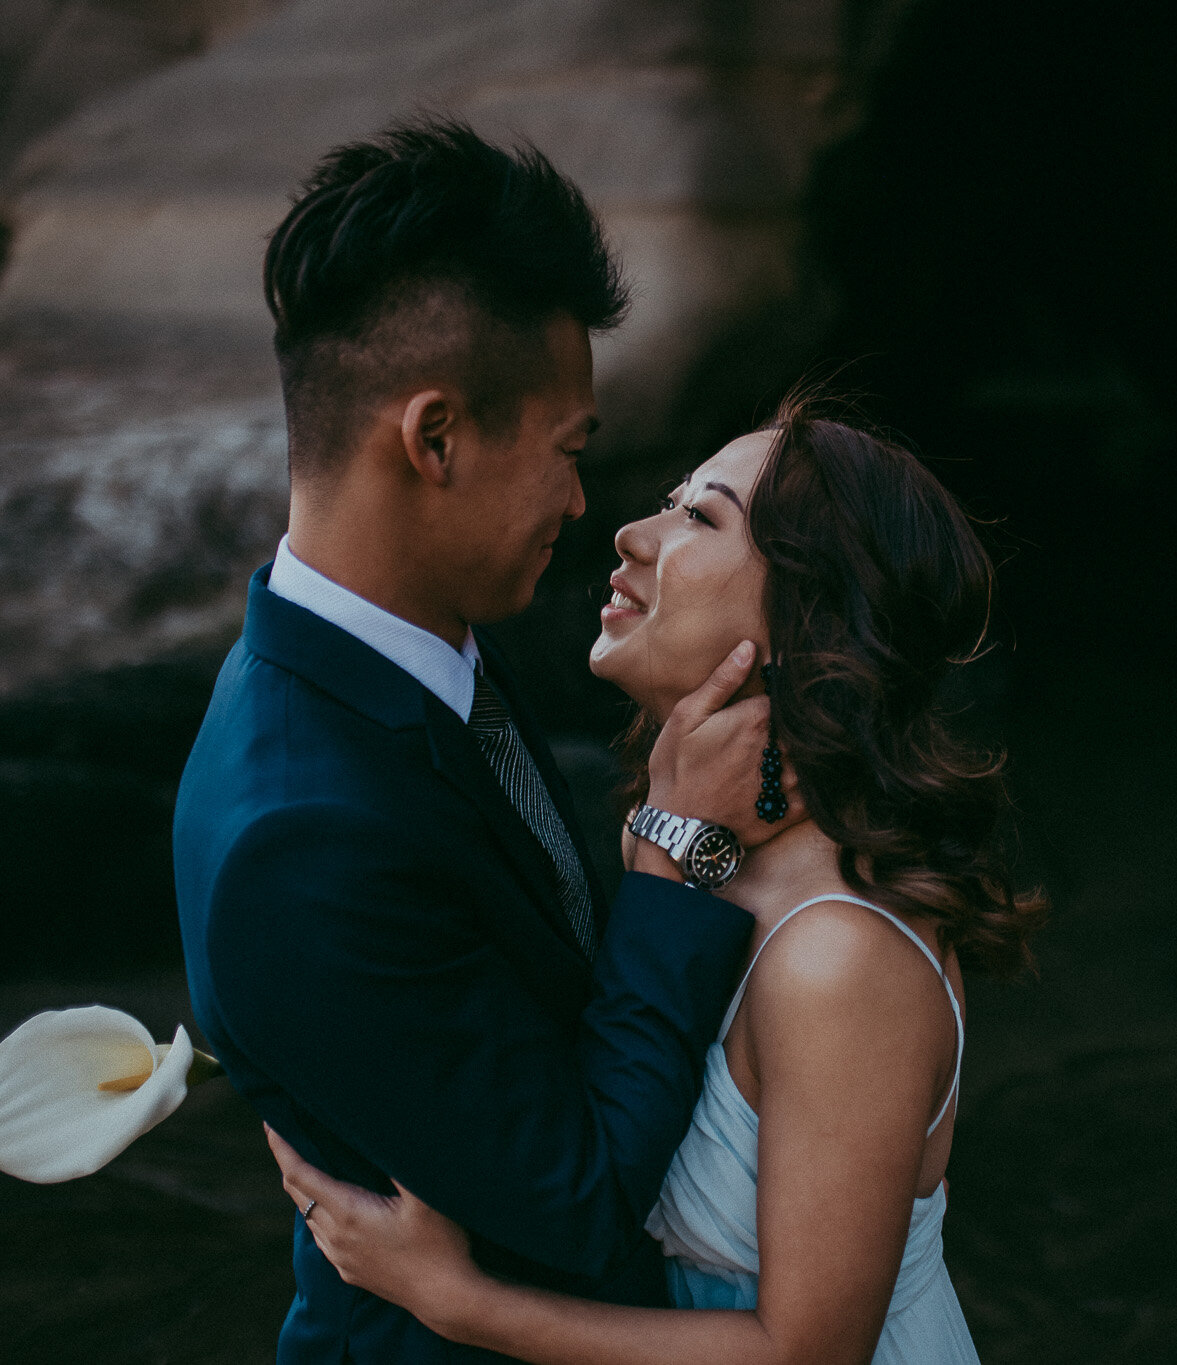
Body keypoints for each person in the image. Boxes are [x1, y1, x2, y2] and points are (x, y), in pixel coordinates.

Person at [172, 119, 793, 1364]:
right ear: (435, 437)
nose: (583, 504)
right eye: (570, 453)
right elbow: (583, 1196)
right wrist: (680, 854)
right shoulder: (303, 838)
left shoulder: (429, 639)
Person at [267, 398, 1049, 1364]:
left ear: (808, 622)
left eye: (701, 517)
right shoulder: (697, 862)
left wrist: (456, 1299)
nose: (633, 534)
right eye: (672, 503)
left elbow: (808, 1352)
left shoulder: (839, 957)